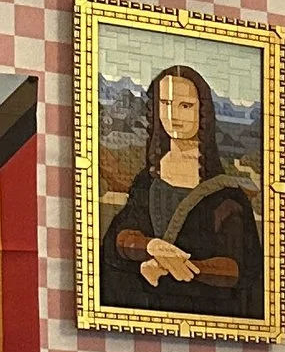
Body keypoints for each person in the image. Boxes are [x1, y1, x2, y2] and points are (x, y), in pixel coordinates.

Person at [98, 69, 256, 309]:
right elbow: (119, 237)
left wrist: (176, 267)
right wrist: (152, 246)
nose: (173, 115)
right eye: (166, 103)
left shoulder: (226, 195)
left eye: (185, 106)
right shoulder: (148, 180)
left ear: (202, 111)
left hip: (206, 310)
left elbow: (239, 267)